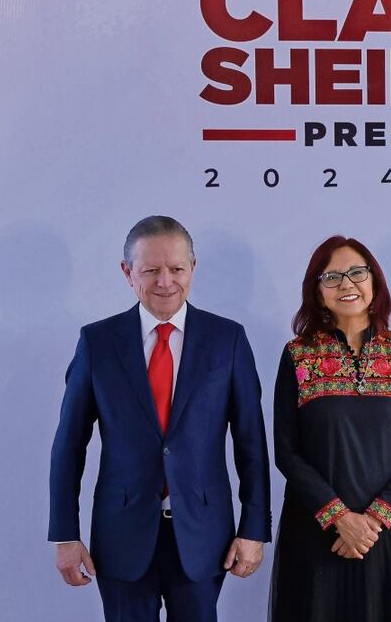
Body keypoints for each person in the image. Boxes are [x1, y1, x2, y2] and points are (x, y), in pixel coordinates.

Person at [48, 215, 271, 621]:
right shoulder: (98, 342)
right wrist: (65, 534)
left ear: (193, 268)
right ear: (127, 272)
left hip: (205, 535)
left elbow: (251, 443)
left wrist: (253, 528)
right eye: (151, 270)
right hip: (121, 534)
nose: (165, 281)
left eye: (177, 269)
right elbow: (69, 444)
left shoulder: (228, 340)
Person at [270, 235, 391, 622]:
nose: (346, 284)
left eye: (357, 273)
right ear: (317, 290)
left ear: (374, 282)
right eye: (332, 277)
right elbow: (286, 451)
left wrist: (374, 520)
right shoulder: (299, 354)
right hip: (319, 530)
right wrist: (341, 519)